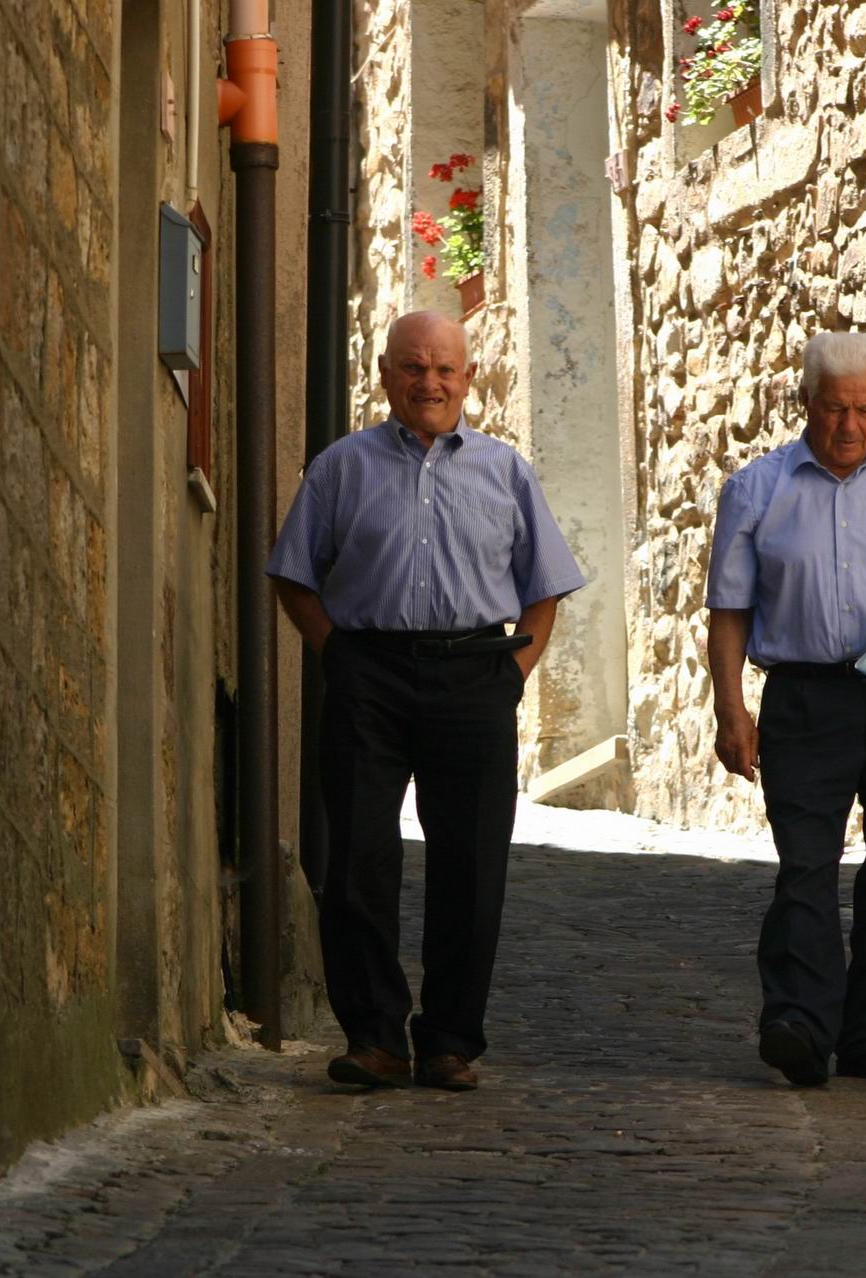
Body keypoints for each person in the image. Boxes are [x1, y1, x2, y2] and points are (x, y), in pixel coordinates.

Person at [267, 311, 586, 1092]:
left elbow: (545, 588)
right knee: (356, 861)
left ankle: (449, 1041)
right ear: (386, 376)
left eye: (445, 369)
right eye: (414, 368)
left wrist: (516, 673)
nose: (430, 382)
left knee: (470, 866)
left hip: (476, 674)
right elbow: (293, 574)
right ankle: (374, 1037)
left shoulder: (506, 472)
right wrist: (337, 655)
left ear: (468, 378)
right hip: (367, 674)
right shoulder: (340, 468)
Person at [705, 331, 866, 1087]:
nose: (849, 426)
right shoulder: (756, 490)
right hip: (805, 700)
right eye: (835, 409)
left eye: (865, 410)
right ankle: (801, 1025)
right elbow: (729, 611)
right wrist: (730, 709)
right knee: (805, 866)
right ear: (804, 402)